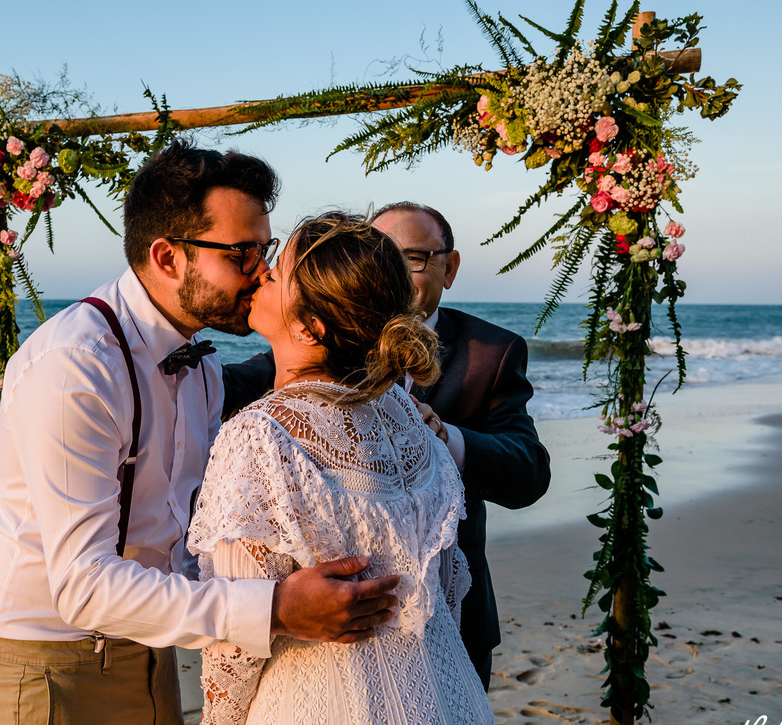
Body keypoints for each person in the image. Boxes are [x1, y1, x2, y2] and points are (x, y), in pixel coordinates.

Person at [0, 141, 400, 725]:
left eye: (266, 247)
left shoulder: (199, 364)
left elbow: (192, 529)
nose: (261, 271)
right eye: (241, 253)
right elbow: (81, 588)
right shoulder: (76, 366)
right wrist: (278, 606)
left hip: (155, 651)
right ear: (169, 256)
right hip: (51, 666)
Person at [190, 212, 501, 725]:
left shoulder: (263, 434)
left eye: (276, 271)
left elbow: (238, 623)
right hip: (444, 715)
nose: (258, 276)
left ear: (308, 327)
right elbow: (445, 591)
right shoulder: (412, 423)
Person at [222, 201, 551, 690]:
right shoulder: (306, 348)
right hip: (332, 630)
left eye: (413, 257)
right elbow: (218, 387)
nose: (390, 269)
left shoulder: (491, 353)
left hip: (451, 620)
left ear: (450, 267)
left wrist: (447, 440)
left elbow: (529, 472)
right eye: (377, 253)